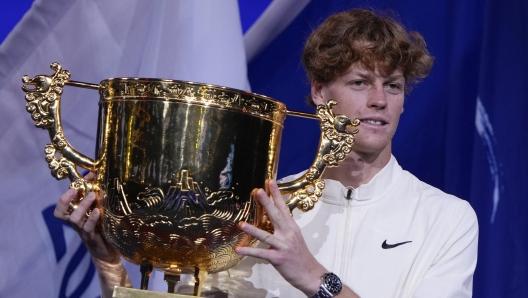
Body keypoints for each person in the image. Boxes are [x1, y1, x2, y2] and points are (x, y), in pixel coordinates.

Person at [54, 8, 478, 298]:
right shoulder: (255, 214)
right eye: (360, 82)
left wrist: (313, 276)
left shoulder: (446, 218)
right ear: (318, 92)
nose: (379, 101)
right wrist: (107, 259)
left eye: (394, 86)